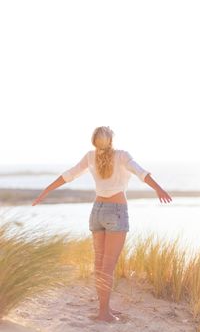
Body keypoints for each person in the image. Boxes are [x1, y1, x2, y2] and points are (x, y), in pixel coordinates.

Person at [32, 126, 172, 323]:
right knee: (107, 267)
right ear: (111, 140)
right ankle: (104, 313)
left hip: (96, 211)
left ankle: (104, 310)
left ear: (94, 141)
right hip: (116, 212)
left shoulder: (90, 157)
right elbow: (141, 173)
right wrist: (159, 189)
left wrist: (45, 191)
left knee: (99, 266)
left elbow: (69, 175)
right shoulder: (122, 156)